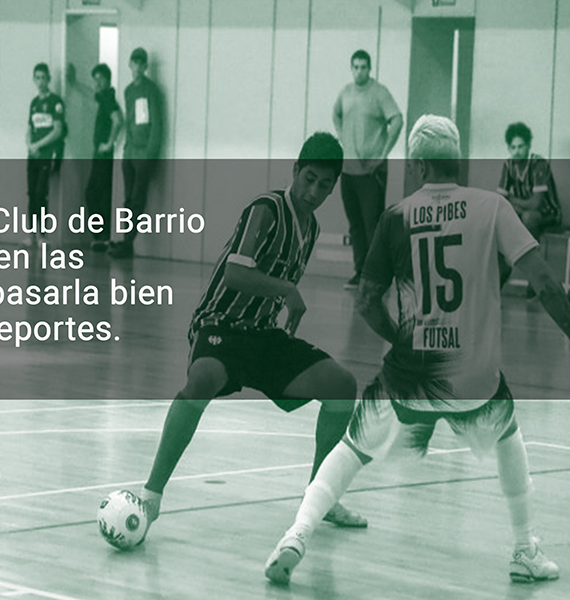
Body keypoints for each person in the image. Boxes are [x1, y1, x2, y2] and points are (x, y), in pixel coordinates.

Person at [265, 115, 570, 586]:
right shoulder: (493, 207)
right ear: (457, 160)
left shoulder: (396, 217)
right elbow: (546, 284)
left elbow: (367, 301)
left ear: (419, 165)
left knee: (351, 449)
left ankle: (296, 535)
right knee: (509, 437)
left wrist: (400, 339)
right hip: (474, 377)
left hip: (409, 373)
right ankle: (524, 549)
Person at [139, 132, 367, 542]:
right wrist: (287, 291)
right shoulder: (266, 209)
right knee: (202, 380)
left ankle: (321, 497)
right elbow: (235, 274)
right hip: (220, 324)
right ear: (295, 171)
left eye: (324, 185)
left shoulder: (311, 228)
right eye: (309, 179)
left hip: (261, 334)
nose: (314, 192)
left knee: (342, 385)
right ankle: (150, 497)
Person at [333, 49, 402, 289]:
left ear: (369, 69)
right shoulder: (346, 92)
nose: (359, 71)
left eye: (363, 67)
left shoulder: (379, 93)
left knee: (373, 224)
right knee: (355, 225)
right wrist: (342, 136)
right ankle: (361, 271)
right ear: (351, 68)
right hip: (349, 170)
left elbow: (397, 119)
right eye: (356, 67)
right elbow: (336, 114)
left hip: (372, 172)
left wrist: (382, 154)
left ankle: (377, 274)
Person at [108, 47, 163, 259]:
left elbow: (156, 123)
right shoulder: (129, 91)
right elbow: (130, 120)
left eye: (141, 63)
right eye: (135, 63)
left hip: (144, 154)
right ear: (130, 65)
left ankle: (128, 241)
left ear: (145, 66)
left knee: (137, 199)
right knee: (128, 199)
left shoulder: (151, 90)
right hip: (130, 152)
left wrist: (150, 152)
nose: (138, 67)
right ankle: (126, 240)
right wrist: (126, 150)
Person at [498, 121, 562, 241]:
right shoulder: (508, 164)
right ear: (509, 148)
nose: (517, 151)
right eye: (513, 147)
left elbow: (535, 204)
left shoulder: (539, 164)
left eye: (520, 146)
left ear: (528, 146)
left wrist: (512, 199)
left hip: (548, 213)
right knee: (503, 214)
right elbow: (500, 199)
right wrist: (513, 206)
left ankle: (532, 251)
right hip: (523, 210)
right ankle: (510, 252)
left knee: (528, 217)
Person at [25, 62, 66, 248]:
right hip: (33, 156)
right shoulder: (34, 103)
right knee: (32, 194)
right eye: (37, 77)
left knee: (41, 193)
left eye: (43, 77)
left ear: (48, 79)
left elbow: (57, 130)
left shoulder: (55, 102)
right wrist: (30, 145)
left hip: (47, 155)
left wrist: (39, 145)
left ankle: (42, 235)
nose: (40, 81)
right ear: (34, 80)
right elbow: (29, 129)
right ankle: (31, 235)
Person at [85, 63, 123, 252]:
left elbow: (118, 119)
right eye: (95, 80)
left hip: (103, 156)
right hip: (99, 155)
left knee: (93, 194)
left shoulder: (108, 99)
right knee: (101, 194)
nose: (97, 83)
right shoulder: (102, 98)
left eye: (100, 79)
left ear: (108, 80)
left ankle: (102, 235)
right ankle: (103, 236)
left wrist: (109, 143)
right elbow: (89, 93)